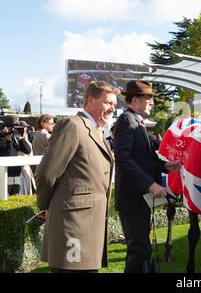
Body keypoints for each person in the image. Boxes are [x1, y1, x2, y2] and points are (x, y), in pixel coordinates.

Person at [35, 81, 119, 273]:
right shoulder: (73, 125)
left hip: (89, 227)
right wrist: (45, 206)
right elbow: (47, 173)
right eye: (108, 103)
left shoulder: (96, 131)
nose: (112, 108)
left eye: (114, 104)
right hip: (73, 226)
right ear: (90, 101)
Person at [114, 80, 181, 273]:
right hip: (132, 200)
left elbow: (144, 158)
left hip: (139, 199)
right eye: (148, 97)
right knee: (139, 249)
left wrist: (165, 166)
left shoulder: (137, 121)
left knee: (143, 249)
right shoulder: (127, 120)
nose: (152, 101)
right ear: (134, 100)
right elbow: (123, 158)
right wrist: (149, 184)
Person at [0, 115, 32, 195]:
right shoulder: (1, 139)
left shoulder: (15, 138)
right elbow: (9, 157)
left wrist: (21, 137)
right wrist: (8, 140)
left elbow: (28, 150)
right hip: (5, 176)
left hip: (17, 176)